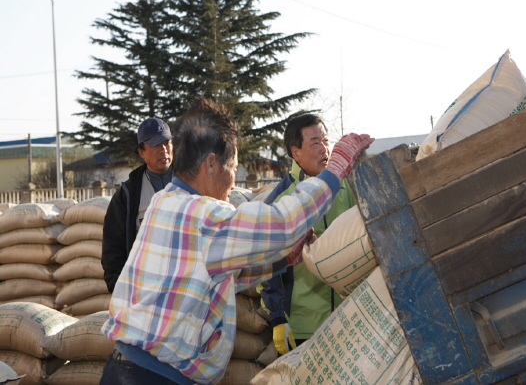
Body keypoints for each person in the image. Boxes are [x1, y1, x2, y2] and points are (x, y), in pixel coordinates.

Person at [100, 98, 373, 385]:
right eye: (233, 167)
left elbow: (207, 277)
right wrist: (336, 169)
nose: (233, 182)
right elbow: (283, 222)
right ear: (210, 164)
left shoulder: (164, 202)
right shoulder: (205, 216)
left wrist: (280, 261)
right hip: (154, 378)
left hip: (125, 369)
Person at [260, 113, 356, 355]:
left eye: (326, 140)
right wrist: (278, 317)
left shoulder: (348, 186)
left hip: (352, 317)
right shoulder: (282, 201)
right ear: (296, 152)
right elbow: (266, 264)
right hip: (306, 326)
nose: (325, 149)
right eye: (315, 143)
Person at [102, 117, 173, 293]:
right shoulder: (128, 195)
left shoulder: (193, 182)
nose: (163, 150)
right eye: (156, 145)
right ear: (141, 152)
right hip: (146, 287)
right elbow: (113, 247)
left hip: (187, 285)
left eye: (167, 143)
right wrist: (120, 288)